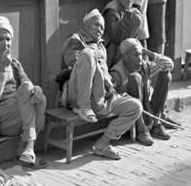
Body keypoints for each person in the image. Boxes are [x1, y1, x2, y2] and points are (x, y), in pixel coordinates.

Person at [58, 9, 142, 160]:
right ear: (85, 25)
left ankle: (102, 144)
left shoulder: (101, 46)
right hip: (79, 96)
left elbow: (104, 76)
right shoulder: (75, 40)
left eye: (102, 27)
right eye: (96, 25)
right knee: (88, 55)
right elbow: (75, 67)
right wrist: (90, 52)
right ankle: (83, 107)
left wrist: (111, 86)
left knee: (135, 107)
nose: (100, 29)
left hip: (103, 97)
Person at [0, 16, 48, 168]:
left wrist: (36, 90)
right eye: (0, 38)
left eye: (8, 39)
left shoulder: (14, 63)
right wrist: (0, 71)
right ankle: (29, 146)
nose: (5, 43)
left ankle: (26, 148)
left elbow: (27, 83)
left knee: (40, 97)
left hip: (20, 113)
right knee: (30, 97)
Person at [110, 38, 174, 141]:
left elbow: (169, 65)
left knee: (166, 75)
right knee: (135, 78)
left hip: (146, 109)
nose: (140, 58)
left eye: (141, 54)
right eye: (136, 55)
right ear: (125, 57)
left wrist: (149, 53)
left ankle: (156, 124)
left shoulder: (144, 66)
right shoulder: (117, 73)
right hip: (130, 116)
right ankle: (141, 130)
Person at [102, 0, 143, 69]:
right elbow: (116, 38)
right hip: (110, 58)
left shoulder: (131, 11)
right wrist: (128, 16)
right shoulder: (111, 10)